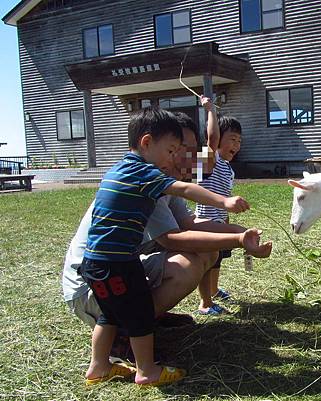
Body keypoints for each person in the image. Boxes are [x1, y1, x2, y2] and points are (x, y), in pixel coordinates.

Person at [74, 107, 271, 386]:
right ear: (147, 143)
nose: (180, 157)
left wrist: (239, 234)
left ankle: (98, 366)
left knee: (111, 313)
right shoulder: (147, 175)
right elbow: (183, 199)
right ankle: (146, 371)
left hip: (94, 264)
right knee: (138, 311)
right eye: (173, 149)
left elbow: (187, 222)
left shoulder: (119, 169)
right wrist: (224, 202)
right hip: (118, 263)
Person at [194, 96, 242, 315]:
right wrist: (210, 110)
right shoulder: (207, 162)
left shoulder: (229, 169)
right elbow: (211, 139)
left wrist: (227, 220)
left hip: (219, 222)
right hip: (205, 223)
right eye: (232, 139)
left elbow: (225, 197)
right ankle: (205, 303)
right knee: (207, 262)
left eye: (239, 141)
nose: (236, 145)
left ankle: (213, 291)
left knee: (218, 260)